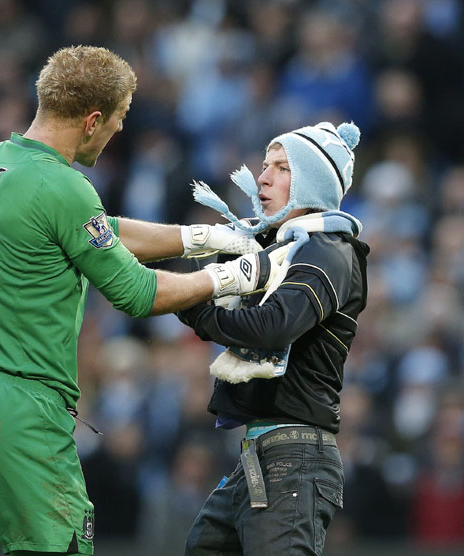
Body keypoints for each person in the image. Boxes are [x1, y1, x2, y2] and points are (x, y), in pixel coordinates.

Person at [0, 45, 287, 556]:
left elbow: (90, 231)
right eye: (120, 117)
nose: (121, 130)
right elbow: (137, 292)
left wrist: (198, 238)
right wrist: (235, 275)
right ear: (93, 119)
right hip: (25, 411)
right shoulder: (65, 186)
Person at [177, 121, 370, 556]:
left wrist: (194, 308)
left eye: (282, 167)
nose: (262, 177)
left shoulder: (328, 250)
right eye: (265, 164)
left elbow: (272, 327)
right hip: (262, 456)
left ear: (313, 183)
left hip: (297, 457)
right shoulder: (272, 247)